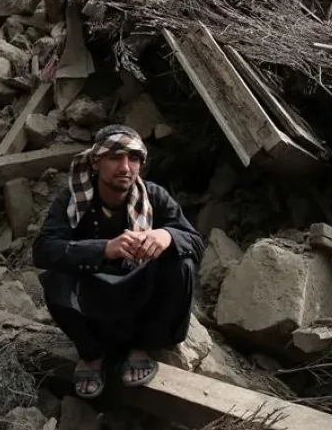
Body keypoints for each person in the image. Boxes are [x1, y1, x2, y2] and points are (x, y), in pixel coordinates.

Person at [33, 124, 204, 399]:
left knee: (181, 264)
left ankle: (142, 347)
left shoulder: (155, 197)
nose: (125, 167)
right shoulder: (71, 199)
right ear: (96, 163)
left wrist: (166, 235)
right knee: (56, 278)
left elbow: (195, 243)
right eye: (115, 157)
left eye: (133, 158)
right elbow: (44, 250)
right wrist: (104, 249)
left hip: (141, 301)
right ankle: (91, 356)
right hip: (94, 301)